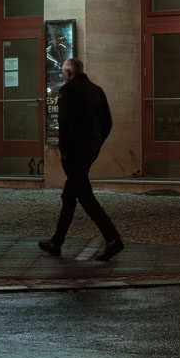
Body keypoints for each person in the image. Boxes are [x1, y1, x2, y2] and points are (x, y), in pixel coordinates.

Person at [38, 58, 124, 262]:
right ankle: (56, 242)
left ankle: (113, 239)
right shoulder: (97, 90)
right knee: (69, 196)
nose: (60, 76)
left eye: (62, 72)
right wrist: (96, 144)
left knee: (85, 196)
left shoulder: (68, 93)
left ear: (69, 73)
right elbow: (108, 122)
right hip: (89, 150)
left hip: (75, 152)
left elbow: (66, 126)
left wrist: (65, 151)